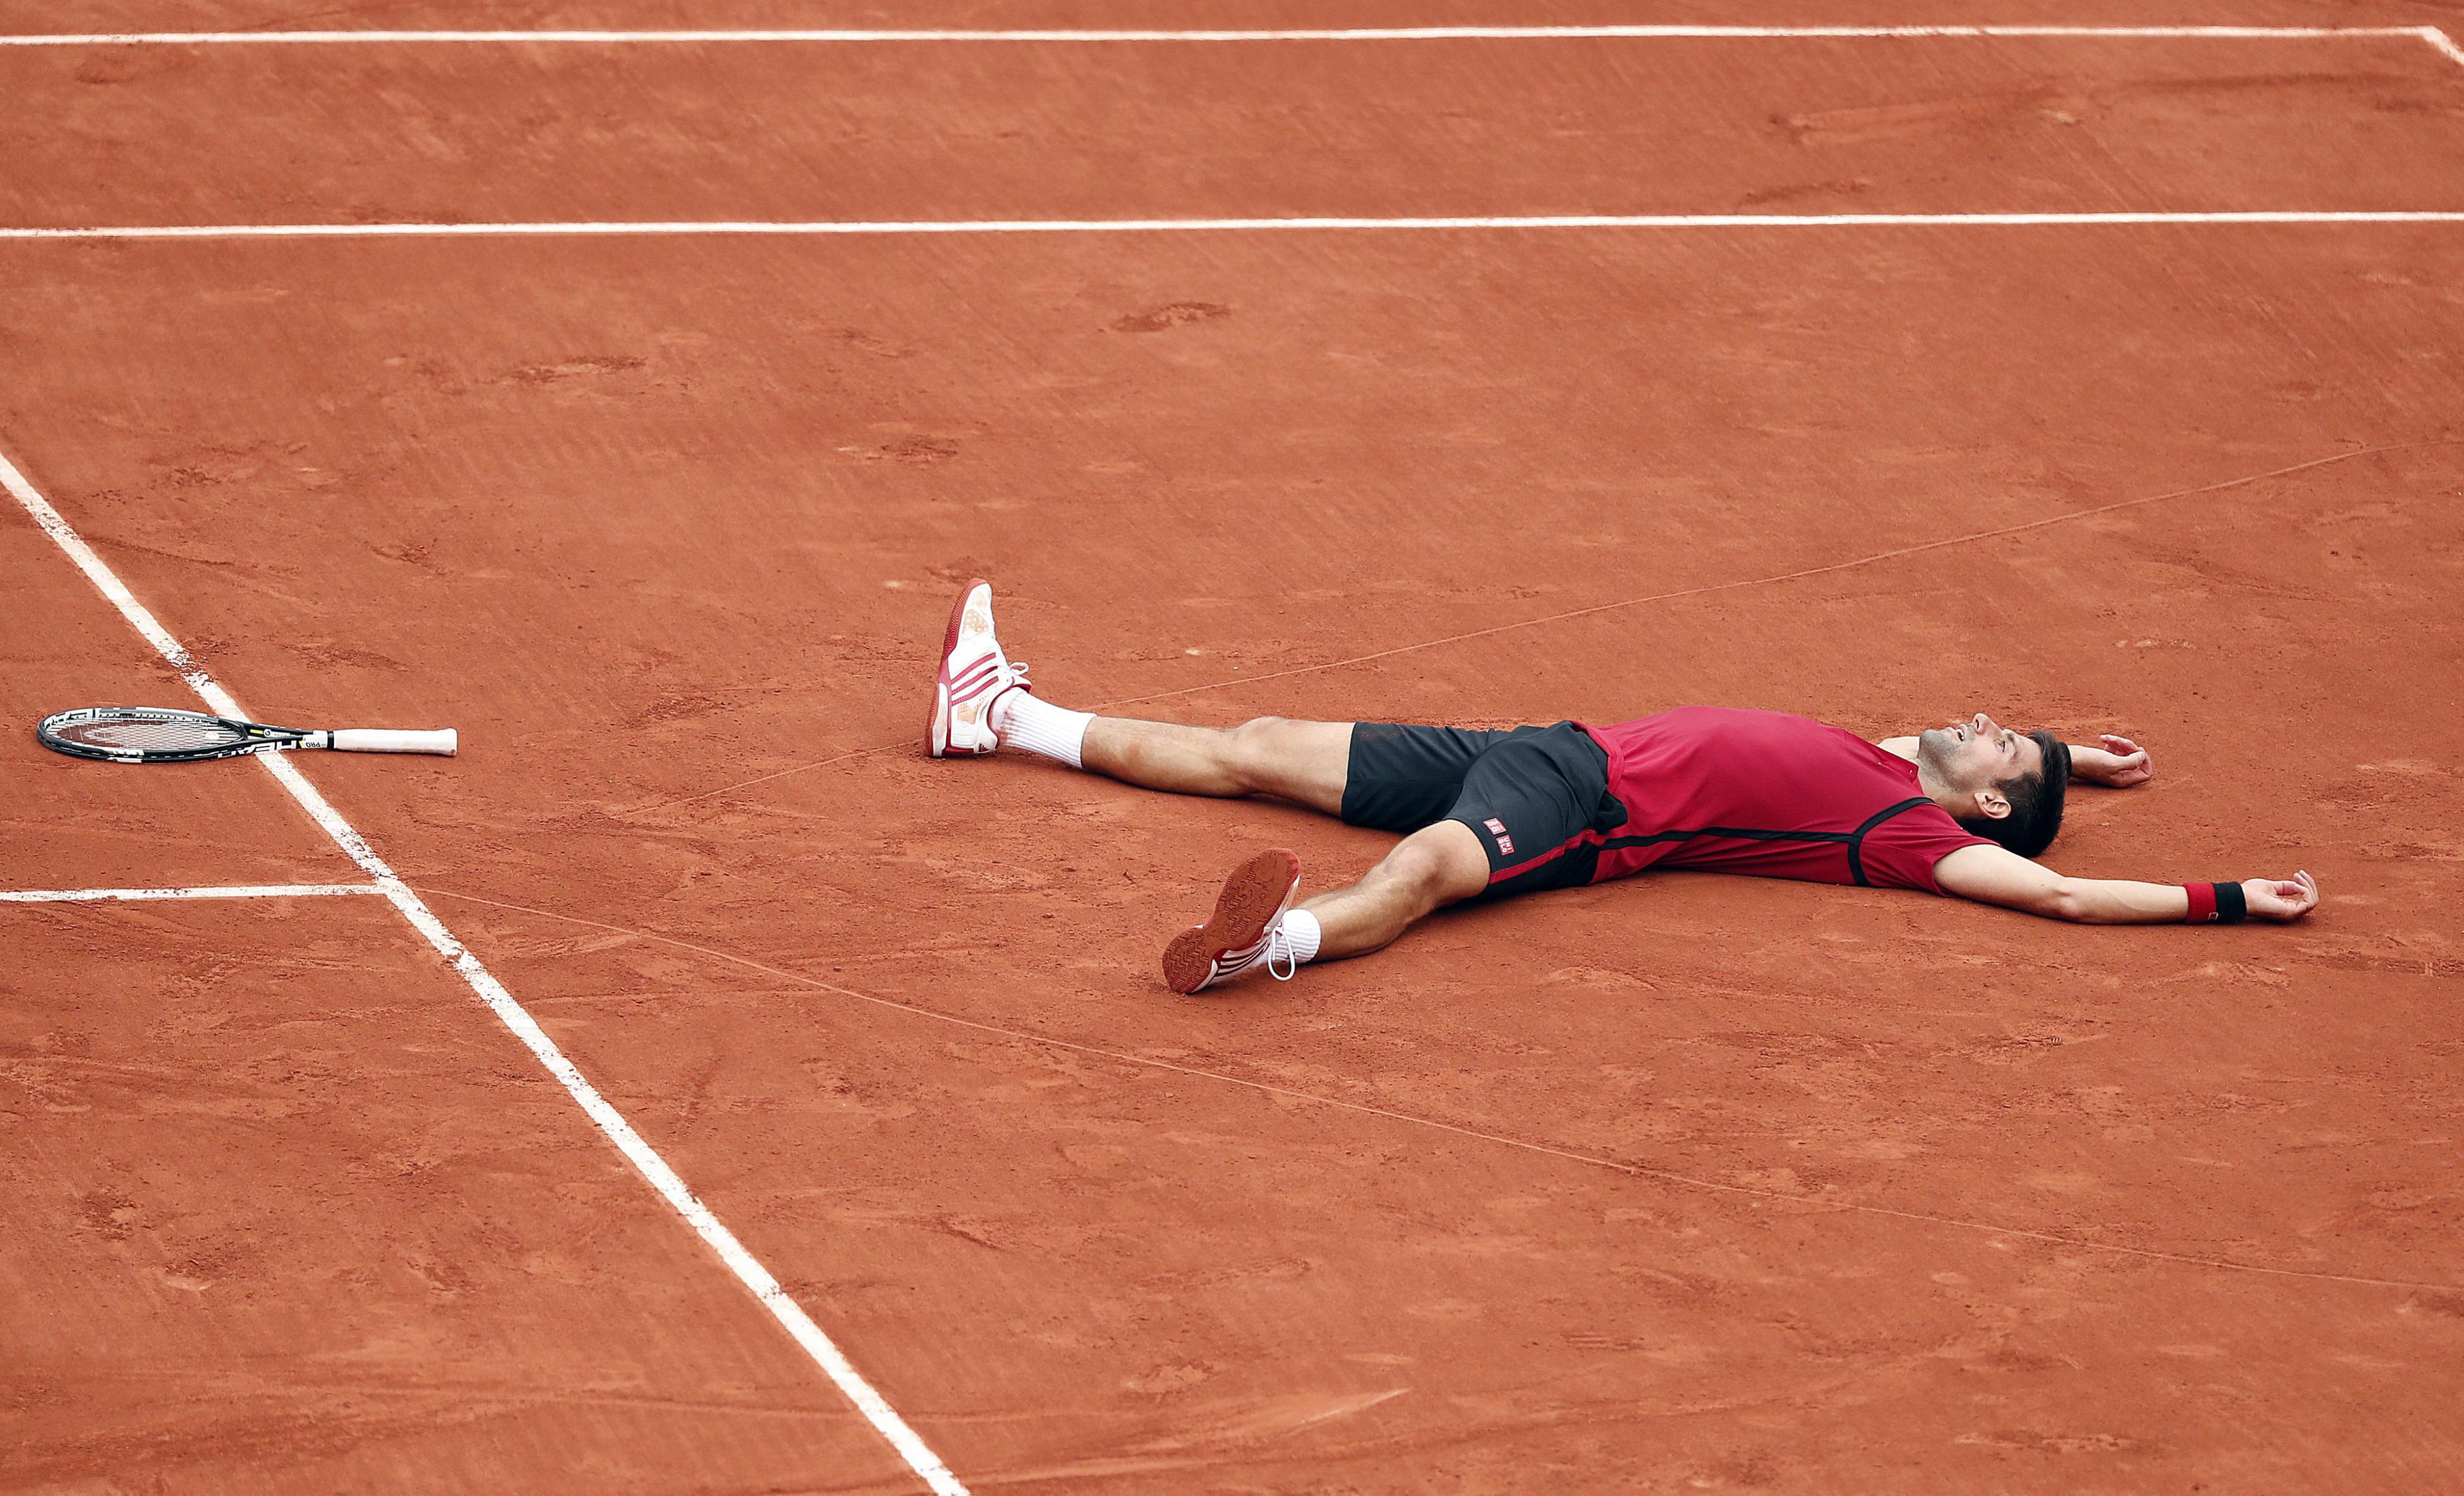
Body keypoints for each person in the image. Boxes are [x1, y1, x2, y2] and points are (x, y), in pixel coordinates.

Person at [928, 583, 2320, 993]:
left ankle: (1271, 946)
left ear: (1973, 811)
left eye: (2003, 752)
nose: (1982, 726)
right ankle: (1002, 714)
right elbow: (1998, 768)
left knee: (1421, 871)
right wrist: (2073, 758)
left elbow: (2064, 895)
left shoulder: (1900, 829)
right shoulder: (1899, 761)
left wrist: (2228, 899)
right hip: (1537, 745)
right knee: (1255, 740)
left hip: (1579, 819)